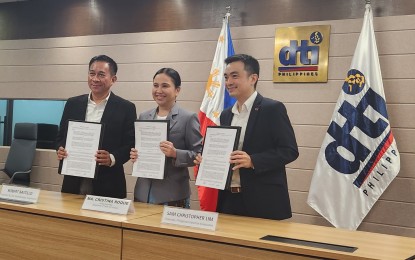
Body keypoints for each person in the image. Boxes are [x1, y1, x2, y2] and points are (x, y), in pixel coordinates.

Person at [196, 54, 299, 220]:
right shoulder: (225, 115)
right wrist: (207, 159)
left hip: (263, 201)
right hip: (229, 198)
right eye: (226, 77)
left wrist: (253, 161)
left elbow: (290, 151)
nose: (228, 82)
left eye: (234, 76)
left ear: (253, 78)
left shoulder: (272, 109)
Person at [56, 55, 137, 199]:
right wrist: (60, 149)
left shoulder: (126, 108)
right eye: (92, 73)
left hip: (109, 182)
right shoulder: (73, 103)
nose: (95, 79)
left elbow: (130, 144)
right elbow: (61, 136)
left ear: (113, 79)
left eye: (101, 75)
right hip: (74, 180)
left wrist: (112, 158)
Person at [130, 68, 202, 208]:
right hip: (143, 191)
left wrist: (175, 153)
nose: (159, 90)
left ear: (177, 90)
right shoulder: (144, 116)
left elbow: (198, 154)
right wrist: (135, 155)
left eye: (165, 86)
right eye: (155, 85)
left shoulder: (188, 118)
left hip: (172, 194)